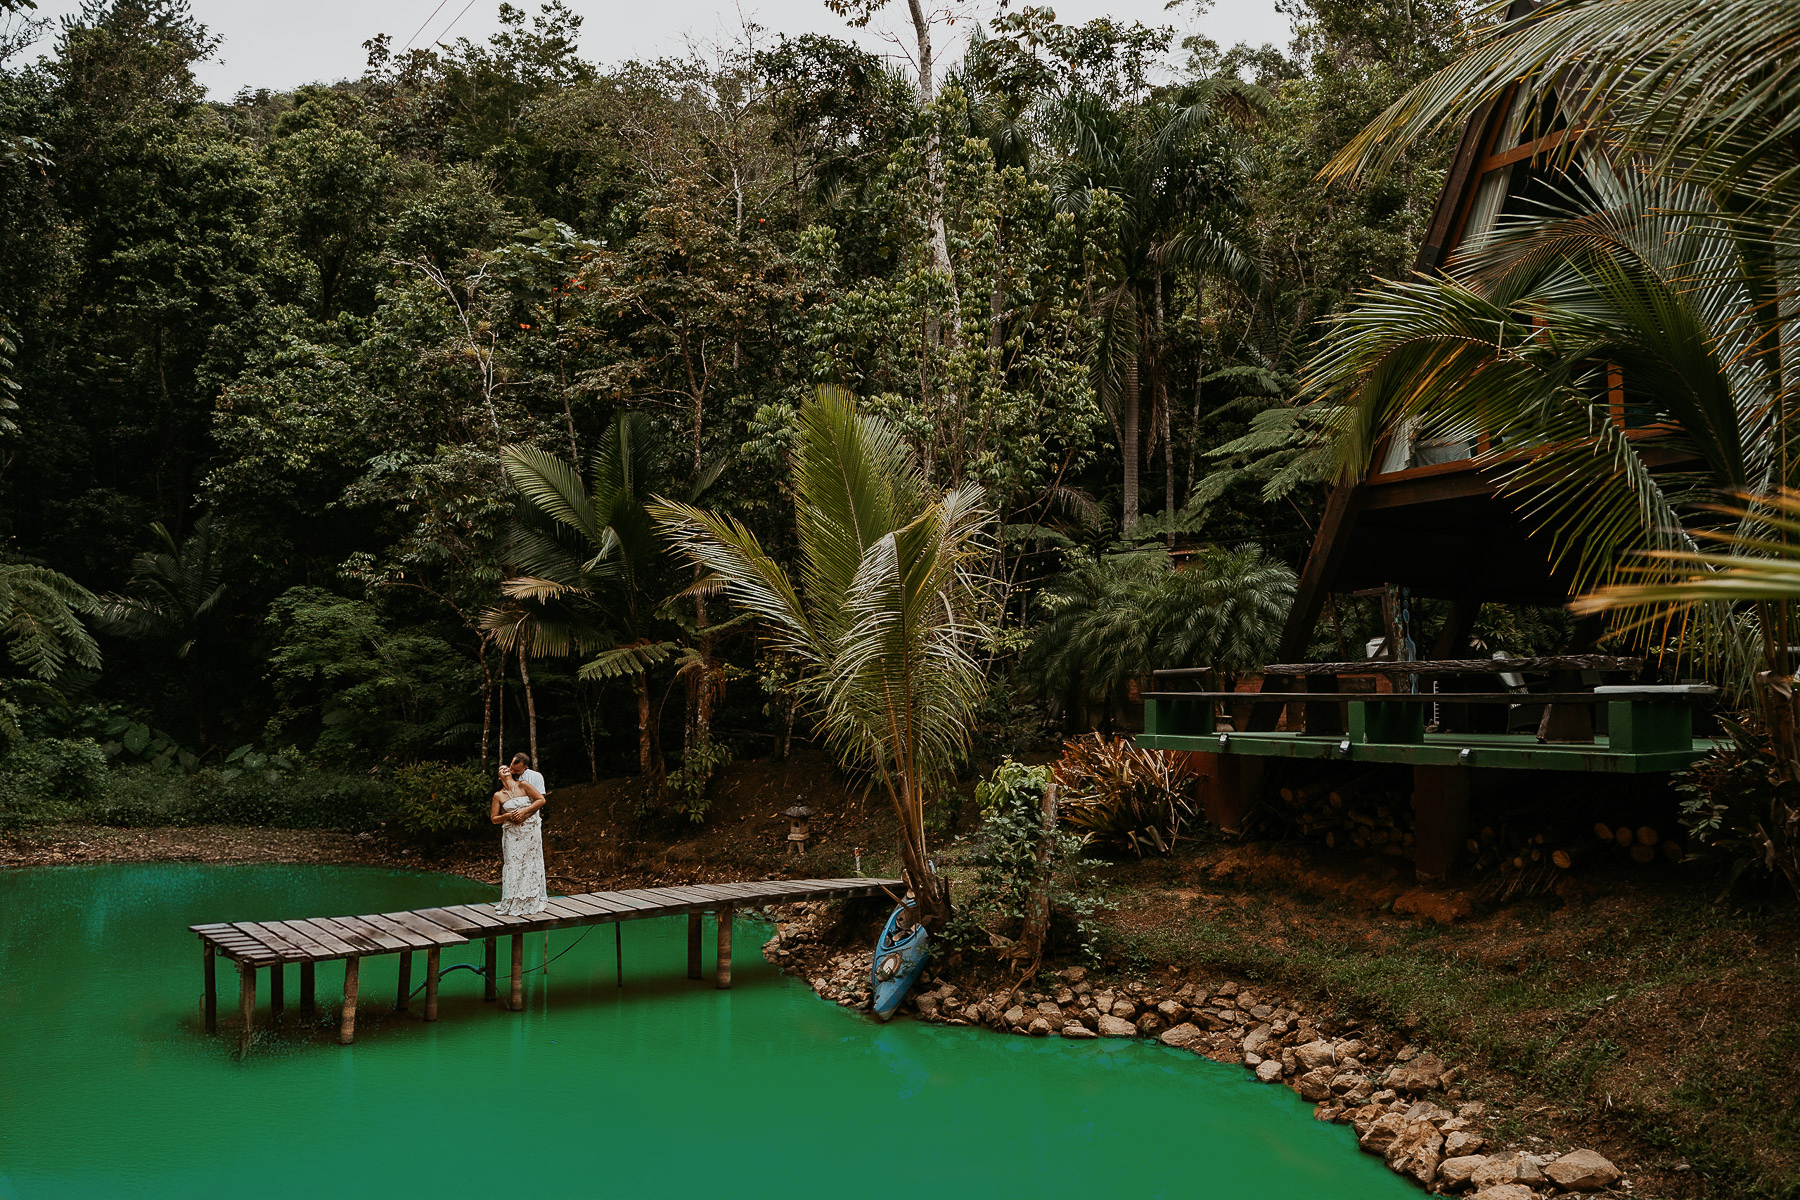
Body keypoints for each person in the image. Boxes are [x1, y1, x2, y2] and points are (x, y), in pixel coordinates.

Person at [490, 756, 548, 916]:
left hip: (529, 831)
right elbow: (494, 819)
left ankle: (531, 900)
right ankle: (512, 900)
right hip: (511, 833)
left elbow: (540, 800)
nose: (505, 769)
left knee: (530, 863)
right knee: (513, 863)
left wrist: (523, 811)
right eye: (501, 769)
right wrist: (507, 816)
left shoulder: (523, 785)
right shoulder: (498, 795)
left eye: (506, 767)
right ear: (499, 777)